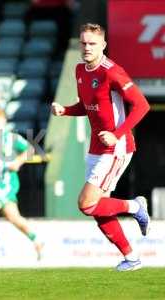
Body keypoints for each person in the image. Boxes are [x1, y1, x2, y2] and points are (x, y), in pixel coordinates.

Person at [51, 23, 150, 271]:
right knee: (97, 210)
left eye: (92, 43)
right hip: (96, 149)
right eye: (83, 43)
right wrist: (65, 110)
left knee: (86, 203)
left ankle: (136, 206)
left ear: (103, 45)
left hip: (116, 149)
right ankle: (131, 257)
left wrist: (117, 135)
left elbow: (142, 105)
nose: (87, 47)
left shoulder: (112, 72)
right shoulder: (79, 70)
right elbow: (88, 106)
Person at [0, 108, 42, 261]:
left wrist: (17, 161)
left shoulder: (11, 138)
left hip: (7, 182)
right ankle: (37, 240)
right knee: (13, 217)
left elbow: (30, 149)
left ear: (5, 123)